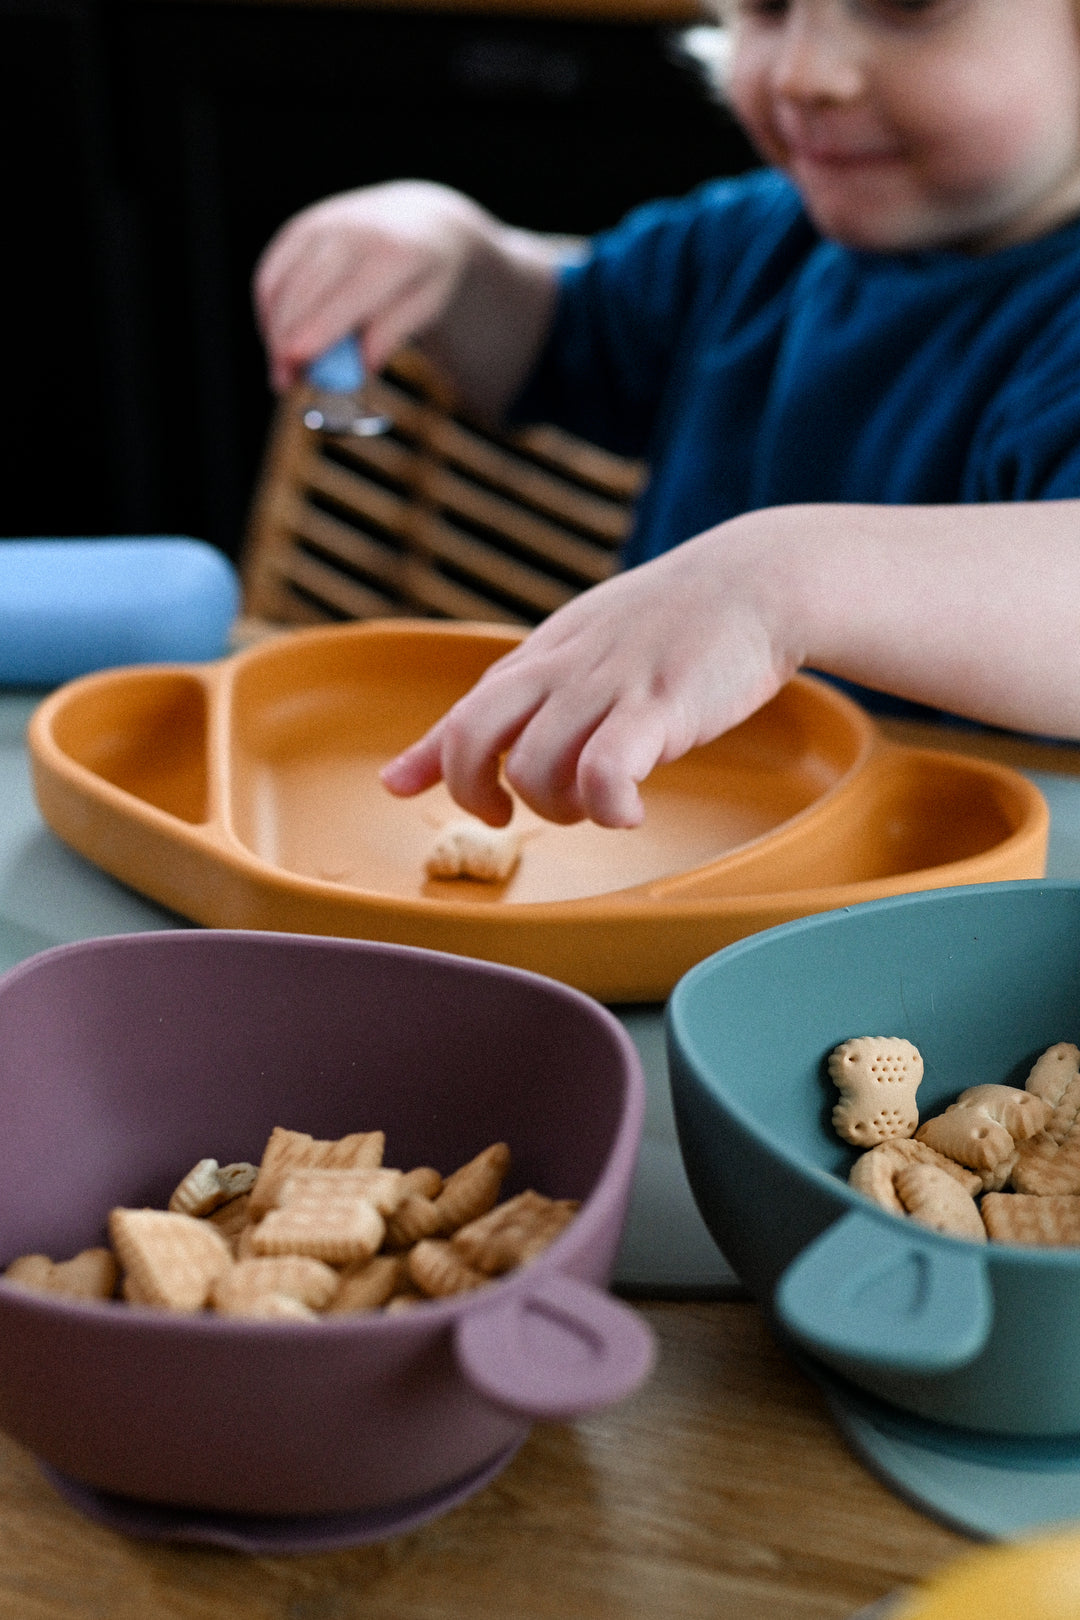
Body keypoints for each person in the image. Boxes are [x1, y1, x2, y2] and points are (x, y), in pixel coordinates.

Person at [255, 0, 1080, 832]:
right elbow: (553, 340)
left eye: (904, 7)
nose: (802, 73)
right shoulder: (755, 242)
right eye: (767, 8)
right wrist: (455, 254)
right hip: (681, 846)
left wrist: (776, 582)